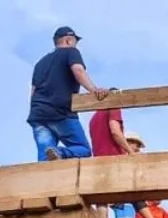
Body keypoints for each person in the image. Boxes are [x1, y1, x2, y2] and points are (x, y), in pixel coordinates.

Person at [28, 26, 108, 162]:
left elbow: (33, 91)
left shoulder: (39, 64)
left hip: (38, 115)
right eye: (75, 41)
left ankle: (51, 161)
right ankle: (59, 151)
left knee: (44, 160)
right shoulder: (71, 52)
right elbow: (78, 70)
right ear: (68, 40)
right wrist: (94, 90)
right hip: (61, 112)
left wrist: (36, 111)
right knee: (84, 150)